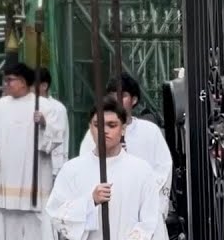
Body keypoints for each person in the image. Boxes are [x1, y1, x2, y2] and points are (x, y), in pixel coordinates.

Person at [48, 97, 166, 240]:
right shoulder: (72, 170)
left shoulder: (141, 170)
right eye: (98, 125)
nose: (104, 131)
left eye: (111, 125)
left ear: (123, 129)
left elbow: (150, 221)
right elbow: (56, 214)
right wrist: (90, 201)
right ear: (90, 128)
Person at [0, 62, 65, 240]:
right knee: (5, 226)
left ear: (24, 82)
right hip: (4, 179)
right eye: (5, 80)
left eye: (10, 80)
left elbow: (56, 138)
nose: (6, 84)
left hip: (34, 181)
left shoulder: (43, 106)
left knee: (36, 228)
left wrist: (44, 123)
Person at [76, 73, 172, 199]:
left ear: (134, 100)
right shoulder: (95, 133)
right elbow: (85, 167)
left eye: (122, 96)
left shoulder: (150, 131)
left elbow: (163, 168)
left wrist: (143, 191)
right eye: (112, 96)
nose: (116, 100)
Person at [35, 68, 70, 179]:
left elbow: (58, 137)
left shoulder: (58, 108)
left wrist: (44, 123)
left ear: (44, 86)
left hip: (53, 169)